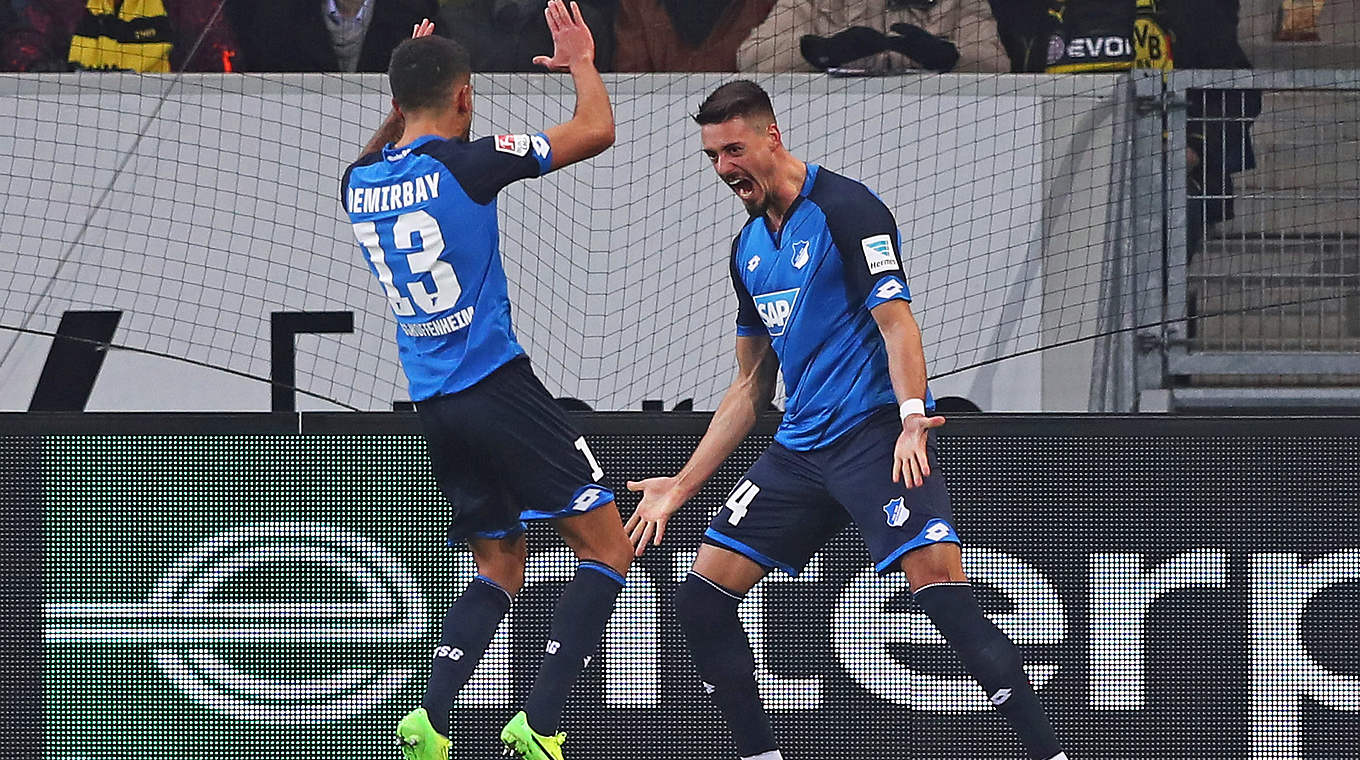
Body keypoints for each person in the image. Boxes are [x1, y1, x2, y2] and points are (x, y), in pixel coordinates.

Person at [625, 80, 1067, 760]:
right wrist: (682, 485)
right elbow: (749, 387)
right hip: (799, 453)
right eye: (713, 155)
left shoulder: (846, 208)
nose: (724, 168)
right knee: (703, 597)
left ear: (772, 136)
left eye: (734, 149)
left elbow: (898, 326)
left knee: (945, 595)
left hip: (875, 441)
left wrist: (913, 416)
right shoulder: (747, 251)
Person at [339, 6, 630, 760]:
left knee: (501, 564)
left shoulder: (359, 183)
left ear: (397, 102)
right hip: (498, 388)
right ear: (465, 97)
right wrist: (580, 64)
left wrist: (408, 94)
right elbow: (595, 130)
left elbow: (390, 144)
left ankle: (431, 721)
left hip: (434, 405)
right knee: (608, 551)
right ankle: (538, 725)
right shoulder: (469, 165)